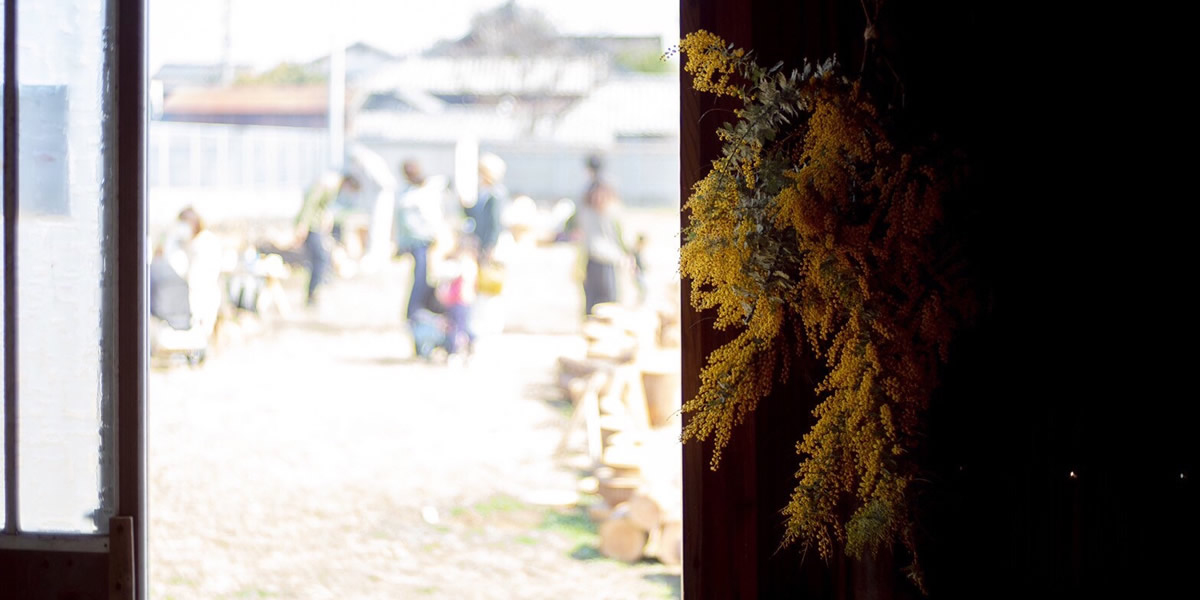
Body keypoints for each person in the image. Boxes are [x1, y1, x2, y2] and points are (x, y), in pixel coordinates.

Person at [565, 154, 629, 316]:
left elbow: (575, 224)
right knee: (609, 304)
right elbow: (621, 230)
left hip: (592, 255)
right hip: (608, 256)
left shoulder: (585, 198)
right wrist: (627, 251)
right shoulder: (611, 199)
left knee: (594, 304)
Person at [295, 172, 360, 306]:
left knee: (320, 258)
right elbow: (311, 203)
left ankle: (315, 291)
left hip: (316, 224)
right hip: (311, 225)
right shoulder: (328, 185)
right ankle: (312, 293)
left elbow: (321, 206)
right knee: (320, 258)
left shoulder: (334, 188)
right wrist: (303, 224)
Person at [394, 159, 446, 323]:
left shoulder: (420, 192)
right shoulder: (410, 194)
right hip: (418, 242)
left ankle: (418, 308)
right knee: (421, 276)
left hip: (425, 241)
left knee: (425, 276)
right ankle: (414, 309)